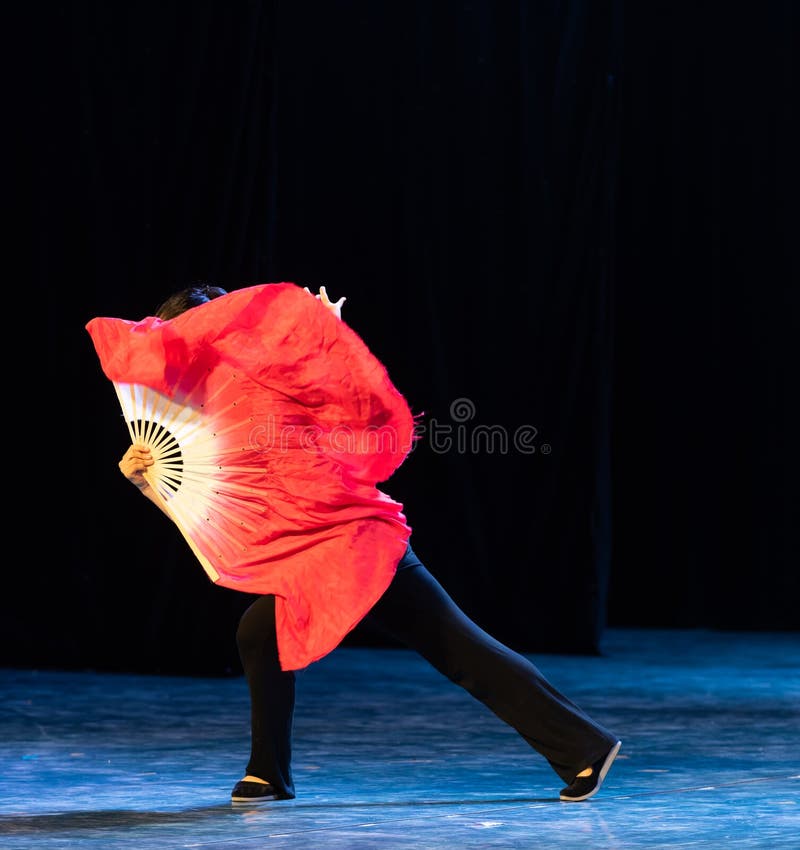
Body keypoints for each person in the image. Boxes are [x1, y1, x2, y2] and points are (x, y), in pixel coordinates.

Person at [115, 283, 621, 805]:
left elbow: (348, 396)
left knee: (458, 648)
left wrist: (324, 334)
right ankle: (269, 774)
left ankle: (583, 746)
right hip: (313, 552)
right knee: (263, 633)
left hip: (353, 540)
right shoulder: (204, 417)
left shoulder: (273, 377)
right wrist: (147, 484)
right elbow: (209, 521)